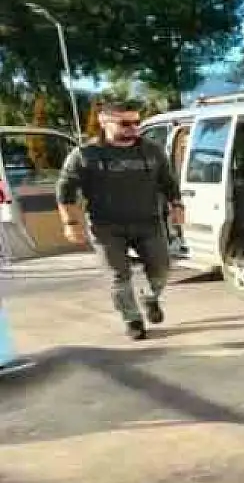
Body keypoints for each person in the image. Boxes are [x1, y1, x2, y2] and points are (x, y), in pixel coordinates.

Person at [55, 99, 183, 340]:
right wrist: (70, 223)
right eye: (125, 123)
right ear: (104, 122)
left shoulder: (151, 150)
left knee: (162, 270)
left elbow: (168, 181)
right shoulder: (85, 154)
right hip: (106, 227)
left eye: (137, 123)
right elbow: (65, 190)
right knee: (118, 276)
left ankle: (150, 297)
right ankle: (132, 319)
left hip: (148, 223)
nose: (133, 128)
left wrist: (176, 205)